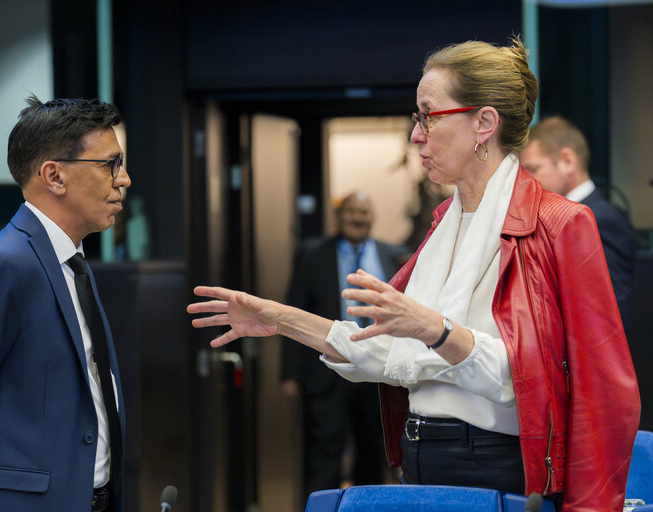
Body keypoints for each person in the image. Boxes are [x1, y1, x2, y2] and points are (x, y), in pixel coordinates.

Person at [187, 38, 640, 511]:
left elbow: (591, 391)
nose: (416, 135)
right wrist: (280, 319)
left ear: (484, 123)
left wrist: (436, 330)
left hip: (499, 467)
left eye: (427, 115)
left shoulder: (561, 223)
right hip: (421, 460)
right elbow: (390, 355)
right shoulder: (446, 221)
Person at [0, 96, 130, 512]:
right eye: (110, 164)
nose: (124, 179)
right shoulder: (6, 264)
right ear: (54, 175)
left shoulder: (71, 260)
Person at [280, 191, 408, 500]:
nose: (357, 218)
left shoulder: (393, 255)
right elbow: (294, 307)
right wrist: (289, 373)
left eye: (364, 213)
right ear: (339, 217)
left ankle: (366, 507)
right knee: (324, 452)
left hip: (378, 373)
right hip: (326, 372)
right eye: (351, 212)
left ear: (371, 219)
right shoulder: (312, 254)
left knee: (372, 451)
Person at [521, 116, 636, 327]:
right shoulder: (559, 216)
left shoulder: (600, 219)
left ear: (567, 161)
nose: (527, 180)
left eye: (534, 169)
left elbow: (606, 313)